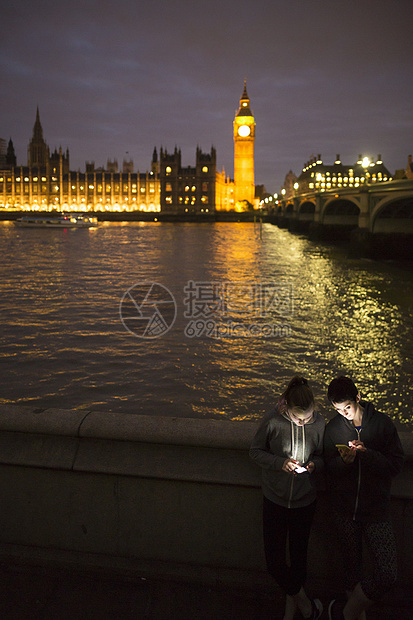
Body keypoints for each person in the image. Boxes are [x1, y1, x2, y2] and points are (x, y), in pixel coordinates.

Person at [323, 376, 404, 620]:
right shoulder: (333, 428)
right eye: (338, 409)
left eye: (347, 407)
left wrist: (367, 455)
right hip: (344, 510)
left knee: (388, 572)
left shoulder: (382, 425)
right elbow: (328, 467)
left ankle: (346, 612)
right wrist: (343, 462)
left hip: (375, 511)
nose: (344, 414)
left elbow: (395, 465)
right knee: (350, 571)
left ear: (358, 398)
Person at [250, 376, 325, 620]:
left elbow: (324, 457)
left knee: (299, 561)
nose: (303, 422)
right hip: (275, 499)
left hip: (305, 501)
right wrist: (279, 463)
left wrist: (314, 465)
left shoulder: (320, 424)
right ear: (286, 408)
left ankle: (291, 613)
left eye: (308, 417)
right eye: (297, 418)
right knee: (275, 563)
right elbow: (255, 451)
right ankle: (306, 605)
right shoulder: (273, 421)